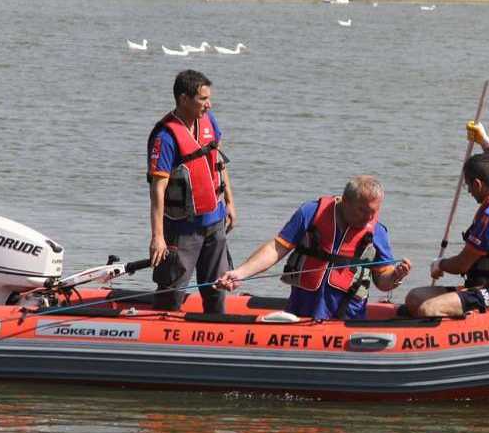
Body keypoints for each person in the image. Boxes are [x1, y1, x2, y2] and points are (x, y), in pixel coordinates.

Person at [215, 175, 412, 320]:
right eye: (363, 210)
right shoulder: (311, 212)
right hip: (302, 308)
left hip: (347, 316)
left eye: (374, 211)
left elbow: (383, 281)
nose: (369, 217)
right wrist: (240, 273)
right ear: (346, 201)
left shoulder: (377, 232)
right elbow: (276, 248)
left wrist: (396, 276)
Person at [405, 122, 489, 317]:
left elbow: (462, 264)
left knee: (429, 309)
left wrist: (439, 265)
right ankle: (467, 309)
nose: (469, 192)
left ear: (478, 184)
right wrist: (485, 141)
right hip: (486, 286)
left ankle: (472, 328)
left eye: (468, 186)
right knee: (414, 298)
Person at [147, 69, 236, 313]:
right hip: (182, 230)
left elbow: (218, 161)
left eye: (209, 98)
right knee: (171, 294)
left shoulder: (209, 121)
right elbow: (157, 190)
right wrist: (157, 237)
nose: (209, 104)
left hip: (215, 223)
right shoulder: (165, 137)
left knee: (217, 292)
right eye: (203, 99)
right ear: (184, 99)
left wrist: (229, 201)